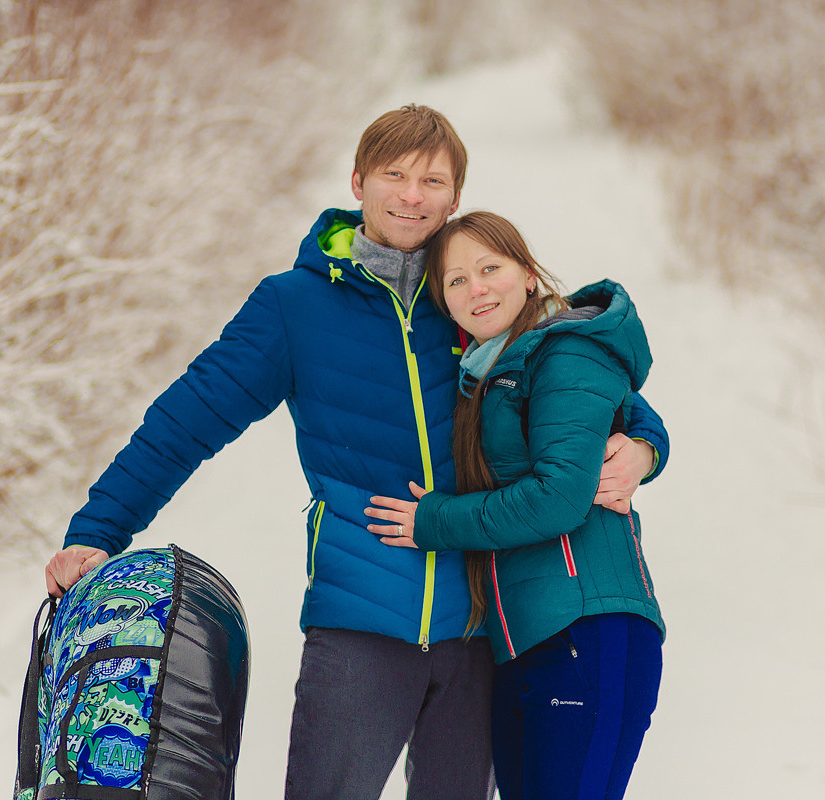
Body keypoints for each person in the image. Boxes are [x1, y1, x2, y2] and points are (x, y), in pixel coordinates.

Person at [43, 106, 670, 800]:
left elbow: (579, 377)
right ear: (358, 181)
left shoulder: (469, 297)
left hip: (482, 631)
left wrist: (646, 444)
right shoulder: (294, 307)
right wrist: (97, 533)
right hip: (360, 623)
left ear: (455, 197)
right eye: (394, 175)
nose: (411, 195)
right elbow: (186, 422)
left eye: (432, 180)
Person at [366, 211, 664, 800]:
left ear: (527, 274)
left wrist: (436, 521)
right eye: (455, 281)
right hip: (522, 642)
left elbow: (558, 498)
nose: (475, 288)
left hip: (587, 626)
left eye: (489, 268)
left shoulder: (564, 351)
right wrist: (651, 443)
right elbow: (631, 416)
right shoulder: (484, 373)